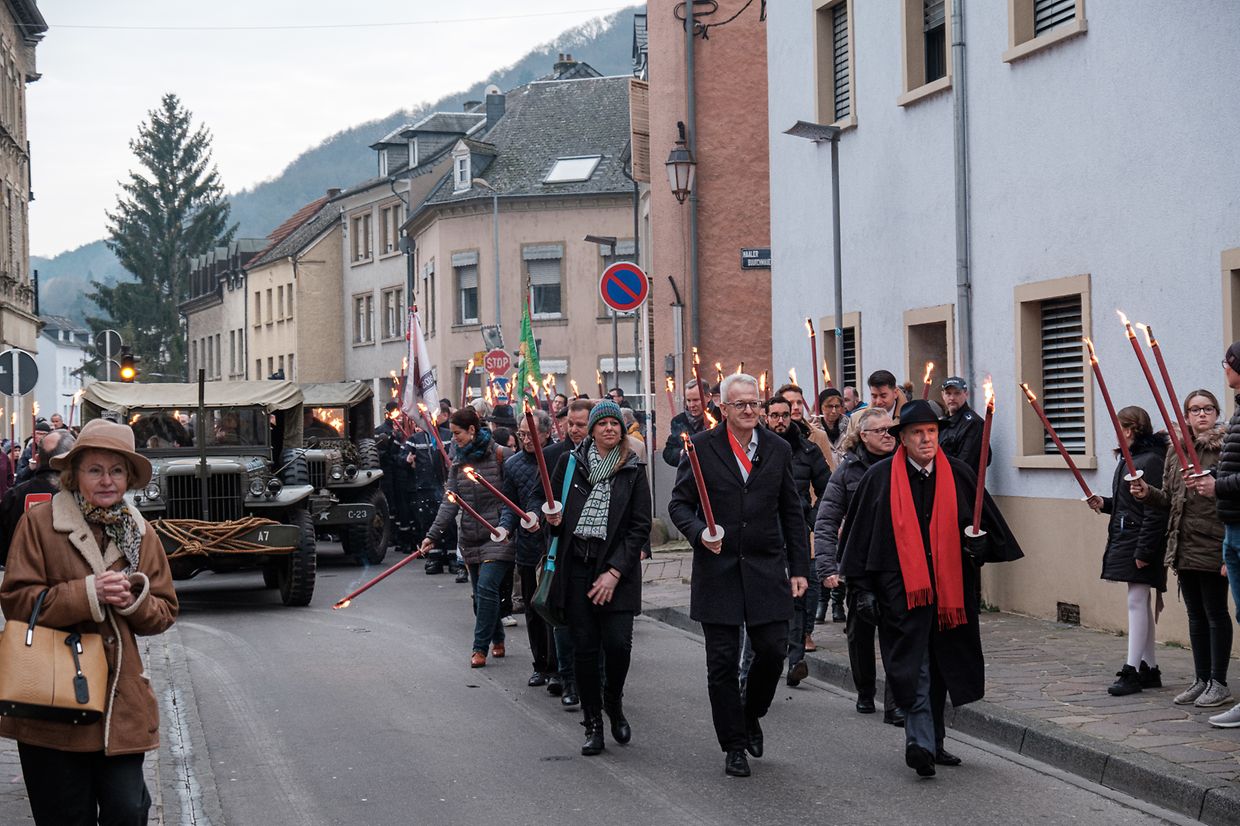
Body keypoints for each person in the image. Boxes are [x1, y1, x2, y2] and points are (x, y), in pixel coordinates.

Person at [0, 417, 178, 823]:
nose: (106, 481)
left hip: (120, 702)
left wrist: (132, 599)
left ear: (129, 478)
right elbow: (15, 601)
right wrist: (87, 594)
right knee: (64, 814)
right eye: (95, 470)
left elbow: (164, 610)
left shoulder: (141, 532)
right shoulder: (40, 524)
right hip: (52, 700)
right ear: (74, 473)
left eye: (117, 471)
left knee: (128, 809)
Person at [840, 400, 1023, 776]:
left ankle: (935, 742)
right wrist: (863, 590)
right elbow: (859, 539)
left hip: (951, 591)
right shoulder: (879, 479)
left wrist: (978, 545)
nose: (926, 440)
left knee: (942, 666)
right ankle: (919, 742)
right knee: (915, 667)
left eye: (931, 433)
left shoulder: (958, 475)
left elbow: (990, 534)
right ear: (902, 439)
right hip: (901, 590)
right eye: (917, 434)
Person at [668, 373, 810, 778]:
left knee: (772, 650)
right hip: (719, 570)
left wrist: (799, 568)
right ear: (724, 409)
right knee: (722, 663)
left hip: (766, 568)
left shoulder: (778, 449)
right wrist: (699, 533)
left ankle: (751, 713)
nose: (750, 411)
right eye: (741, 405)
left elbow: (791, 512)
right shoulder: (700, 449)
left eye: (755, 404)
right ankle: (733, 745)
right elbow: (680, 505)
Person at [545, 400, 650, 756]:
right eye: (601, 423)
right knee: (585, 651)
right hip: (577, 570)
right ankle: (593, 723)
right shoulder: (569, 464)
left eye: (614, 423)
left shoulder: (633, 470)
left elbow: (639, 527)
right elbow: (550, 508)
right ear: (590, 430)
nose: (609, 428)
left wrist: (615, 572)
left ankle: (613, 702)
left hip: (617, 572)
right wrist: (550, 518)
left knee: (618, 646)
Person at [1131, 390, 1231, 710]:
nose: (1202, 415)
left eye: (1208, 409)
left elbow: (1230, 492)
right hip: (1184, 543)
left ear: (1217, 413)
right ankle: (1200, 679)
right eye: (1194, 410)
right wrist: (1147, 493)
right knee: (1195, 615)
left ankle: (1219, 682)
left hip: (1214, 540)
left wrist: (1210, 488)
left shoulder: (1225, 448)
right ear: (1186, 416)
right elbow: (1170, 500)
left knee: (1215, 613)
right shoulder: (1177, 451)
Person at [815, 408, 902, 720]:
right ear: (863, 436)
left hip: (898, 564)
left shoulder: (904, 465)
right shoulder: (847, 472)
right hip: (861, 566)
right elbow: (826, 520)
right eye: (879, 430)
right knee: (860, 631)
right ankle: (865, 690)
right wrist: (827, 567)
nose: (888, 434)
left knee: (898, 633)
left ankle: (895, 704)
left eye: (890, 429)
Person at [419, 407, 513, 667]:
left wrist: (509, 525)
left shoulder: (502, 455)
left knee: (486, 588)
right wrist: (433, 536)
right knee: (479, 596)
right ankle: (498, 636)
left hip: (499, 536)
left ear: (472, 430)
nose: (454, 438)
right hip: (471, 536)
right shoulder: (458, 463)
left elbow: (514, 497)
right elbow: (449, 503)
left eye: (457, 433)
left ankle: (479, 648)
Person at [1085, 405, 1169, 696]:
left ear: (1130, 430)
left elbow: (1155, 510)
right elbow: (1128, 506)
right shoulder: (1131, 459)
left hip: (1141, 541)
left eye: (1119, 427)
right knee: (1140, 602)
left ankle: (1132, 670)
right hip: (1130, 537)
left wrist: (1145, 550)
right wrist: (1104, 504)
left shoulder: (1151, 460)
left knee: (1136, 601)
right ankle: (1150, 667)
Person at [764, 395, 828, 686]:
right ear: (766, 417)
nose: (780, 420)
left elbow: (827, 489)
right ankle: (767, 656)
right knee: (767, 594)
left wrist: (811, 519)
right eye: (775, 415)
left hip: (797, 530)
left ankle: (796, 660)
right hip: (764, 531)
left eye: (785, 415)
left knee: (799, 593)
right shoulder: (759, 449)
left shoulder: (807, 449)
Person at [542, 397, 593, 707]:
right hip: (562, 547)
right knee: (563, 618)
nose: (574, 430)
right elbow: (541, 493)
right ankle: (568, 678)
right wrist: (545, 513)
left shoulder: (613, 457)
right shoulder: (555, 456)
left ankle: (595, 680)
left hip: (596, 550)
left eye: (581, 425)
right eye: (570, 424)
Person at [500, 410, 553, 688]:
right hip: (528, 547)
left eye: (530, 434)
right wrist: (506, 527)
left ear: (545, 433)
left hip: (553, 544)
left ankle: (559, 667)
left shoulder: (558, 458)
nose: (525, 439)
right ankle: (540, 664)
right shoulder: (513, 465)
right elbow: (509, 504)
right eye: (521, 434)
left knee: (553, 605)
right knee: (533, 606)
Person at [1206, 343, 1240, 727]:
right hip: (1233, 525)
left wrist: (1219, 486)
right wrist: (1214, 479)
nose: (1224, 369)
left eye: (1226, 363)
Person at [0, 429, 75, 567]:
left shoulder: (14, 495)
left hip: (20, 573)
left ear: (38, 459)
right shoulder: (80, 495)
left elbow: (3, 548)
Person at [776, 383, 833, 469]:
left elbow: (830, 472)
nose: (796, 407)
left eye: (799, 403)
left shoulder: (819, 436)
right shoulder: (774, 436)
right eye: (791, 403)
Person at [938, 377, 989, 471]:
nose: (952, 398)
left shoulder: (973, 424)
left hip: (962, 482)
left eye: (957, 393)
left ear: (966, 394)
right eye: (948, 393)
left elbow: (965, 462)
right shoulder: (942, 423)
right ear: (943, 395)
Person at [662, 378, 707, 468]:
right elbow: (668, 452)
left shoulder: (718, 419)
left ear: (708, 397)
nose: (691, 405)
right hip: (689, 477)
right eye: (688, 400)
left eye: (696, 400)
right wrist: (682, 454)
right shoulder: (679, 421)